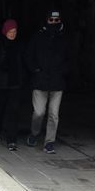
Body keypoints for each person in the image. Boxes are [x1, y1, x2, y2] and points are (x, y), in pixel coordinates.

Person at [26, 9, 70, 153]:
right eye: (51, 20)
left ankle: (49, 142)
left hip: (57, 82)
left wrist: (63, 72)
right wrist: (35, 70)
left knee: (53, 114)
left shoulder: (64, 38)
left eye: (56, 20)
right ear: (46, 20)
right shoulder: (37, 37)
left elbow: (70, 58)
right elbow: (29, 55)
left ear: (60, 21)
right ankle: (34, 133)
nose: (54, 22)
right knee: (39, 112)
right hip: (40, 82)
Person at [0, 18, 25, 151]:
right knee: (0, 110)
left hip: (15, 84)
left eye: (14, 31)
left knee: (13, 112)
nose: (12, 34)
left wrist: (22, 78)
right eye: (10, 31)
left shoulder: (19, 46)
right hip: (1, 84)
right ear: (5, 32)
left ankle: (12, 140)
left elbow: (23, 63)